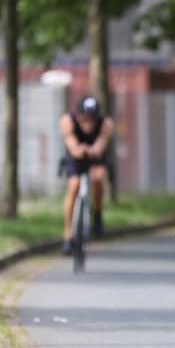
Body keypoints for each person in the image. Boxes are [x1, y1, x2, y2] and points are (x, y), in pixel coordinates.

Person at [59, 96, 113, 255]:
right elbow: (72, 145)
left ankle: (97, 214)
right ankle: (68, 235)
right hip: (76, 155)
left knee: (97, 178)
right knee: (74, 185)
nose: (88, 123)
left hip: (95, 154)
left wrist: (93, 150)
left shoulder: (106, 123)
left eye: (92, 119)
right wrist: (79, 150)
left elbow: (101, 144)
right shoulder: (67, 121)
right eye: (85, 118)